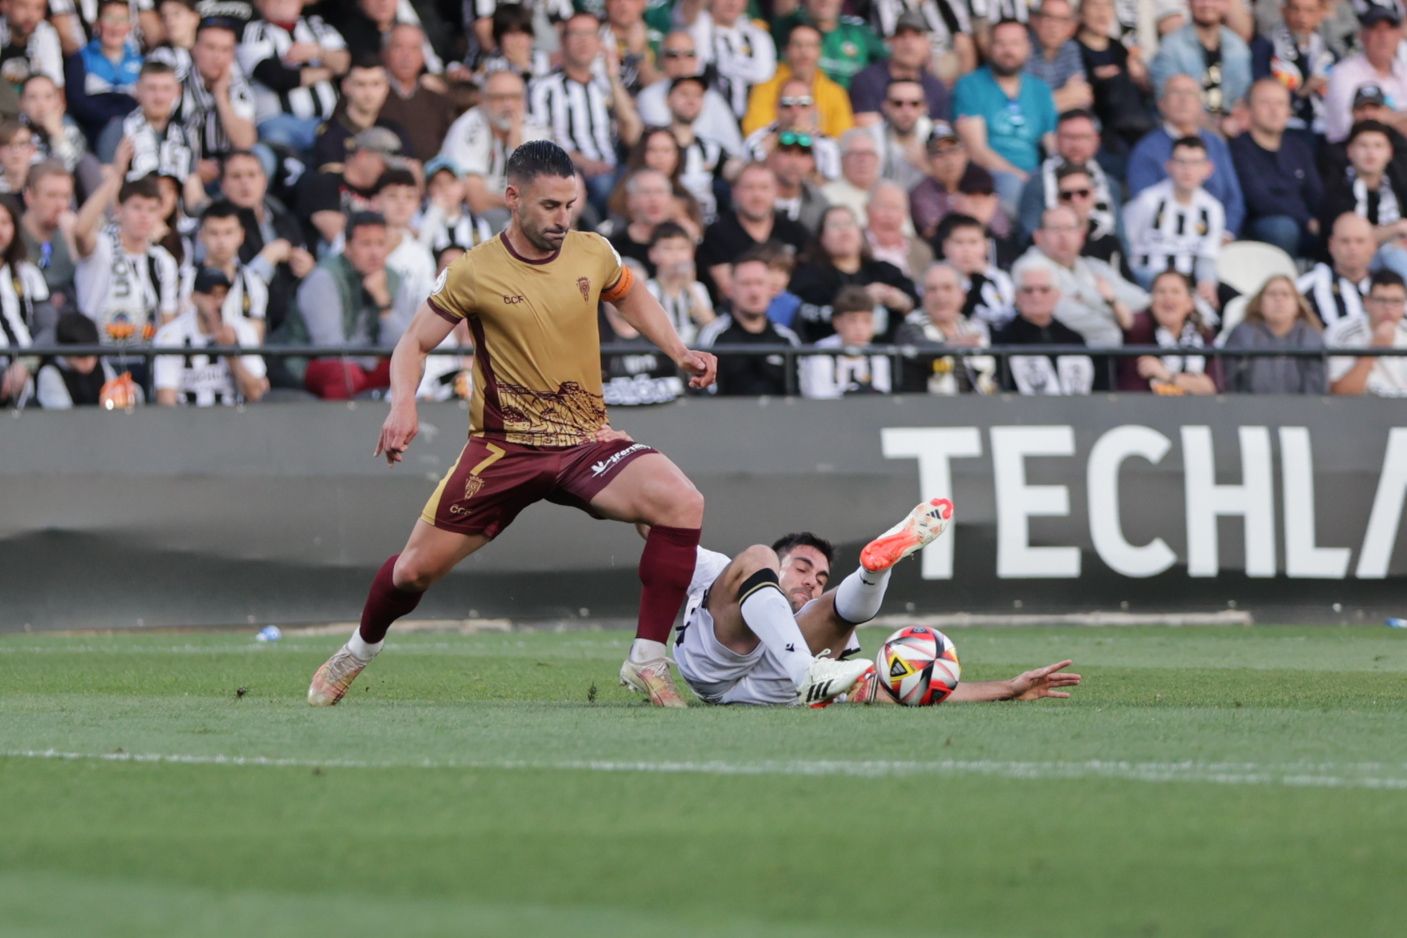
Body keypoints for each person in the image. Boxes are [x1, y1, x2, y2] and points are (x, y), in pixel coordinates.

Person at [305, 141, 719, 710]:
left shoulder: (592, 251)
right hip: (505, 452)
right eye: (550, 205)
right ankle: (357, 651)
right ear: (512, 198)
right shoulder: (473, 271)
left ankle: (648, 659)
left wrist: (678, 349)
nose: (563, 218)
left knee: (682, 503)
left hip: (584, 443)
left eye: (570, 204)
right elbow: (414, 342)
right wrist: (403, 403)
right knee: (412, 572)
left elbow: (631, 293)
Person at [669, 498, 1081, 707]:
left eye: (820, 577)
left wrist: (1009, 688)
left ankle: (873, 571)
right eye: (801, 568)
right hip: (714, 660)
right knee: (755, 556)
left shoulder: (820, 645)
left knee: (831, 611)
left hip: (777, 684)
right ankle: (865, 581)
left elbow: (898, 688)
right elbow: (657, 525)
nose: (811, 581)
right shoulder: (717, 568)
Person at [285, 210, 417, 398]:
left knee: (409, 369)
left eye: (380, 243)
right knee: (344, 375)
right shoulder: (325, 277)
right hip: (309, 363)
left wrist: (383, 302)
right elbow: (329, 349)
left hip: (364, 364)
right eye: (365, 244)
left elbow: (402, 345)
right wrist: (373, 359)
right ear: (347, 247)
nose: (375, 253)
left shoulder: (394, 278)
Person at [72, 140, 181, 350]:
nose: (144, 216)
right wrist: (116, 175)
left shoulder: (163, 260)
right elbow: (80, 230)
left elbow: (167, 322)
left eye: (151, 209)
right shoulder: (101, 246)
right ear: (119, 210)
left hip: (145, 358)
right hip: (98, 356)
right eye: (137, 208)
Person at [528, 11, 642, 211]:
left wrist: (613, 78)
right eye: (576, 34)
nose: (584, 41)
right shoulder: (543, 88)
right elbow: (541, 140)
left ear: (600, 42)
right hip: (571, 170)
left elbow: (633, 133)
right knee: (606, 185)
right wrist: (585, 162)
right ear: (563, 41)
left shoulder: (607, 85)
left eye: (590, 34)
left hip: (614, 167)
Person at [952, 17, 1058, 216]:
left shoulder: (1040, 89)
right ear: (989, 47)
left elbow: (1053, 144)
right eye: (1000, 43)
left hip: (1035, 172)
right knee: (1016, 189)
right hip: (991, 174)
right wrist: (1020, 176)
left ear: (1027, 47)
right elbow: (977, 151)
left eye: (1015, 43)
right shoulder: (970, 86)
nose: (1008, 51)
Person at [1126, 74, 1245, 237]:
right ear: (1161, 104)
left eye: (1190, 94)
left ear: (1200, 105)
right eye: (1175, 93)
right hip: (1167, 238)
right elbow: (1144, 205)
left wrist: (1226, 233)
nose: (1183, 100)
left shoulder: (1215, 143)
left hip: (1217, 235)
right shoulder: (1146, 149)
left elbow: (1234, 199)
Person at [788, 204, 916, 343]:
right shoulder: (808, 275)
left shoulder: (885, 271)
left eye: (849, 223)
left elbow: (918, 302)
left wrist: (903, 301)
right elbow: (810, 314)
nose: (844, 231)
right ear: (822, 237)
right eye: (835, 225)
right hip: (827, 356)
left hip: (887, 355)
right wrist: (861, 299)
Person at [1122, 135, 1224, 310]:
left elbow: (1208, 257)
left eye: (1195, 163)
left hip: (1189, 286)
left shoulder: (1213, 208)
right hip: (1146, 282)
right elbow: (1126, 247)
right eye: (1181, 162)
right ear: (1169, 166)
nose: (1187, 170)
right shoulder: (1147, 201)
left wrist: (1207, 284)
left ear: (1208, 169)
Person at [239, 0, 350, 157]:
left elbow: (345, 64)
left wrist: (318, 52)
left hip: (328, 122)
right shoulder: (252, 32)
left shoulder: (317, 27)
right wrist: (328, 71)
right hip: (279, 124)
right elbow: (278, 78)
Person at [438, 70, 550, 226]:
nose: (508, 105)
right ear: (482, 100)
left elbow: (549, 187)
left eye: (515, 97)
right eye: (499, 98)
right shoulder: (467, 129)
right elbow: (477, 201)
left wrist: (517, 145)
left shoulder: (535, 130)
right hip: (473, 217)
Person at [1024, 203, 1144, 347]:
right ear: (1038, 236)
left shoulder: (1093, 266)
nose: (1063, 236)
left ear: (1081, 236)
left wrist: (1108, 299)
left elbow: (1142, 300)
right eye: (1055, 229)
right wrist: (1109, 305)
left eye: (1069, 229)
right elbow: (1068, 315)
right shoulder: (1030, 267)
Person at [1229, 78, 1322, 257]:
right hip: (1262, 224)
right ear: (1249, 109)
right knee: (1282, 229)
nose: (1274, 110)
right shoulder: (1238, 148)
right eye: (1265, 103)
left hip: (1303, 223)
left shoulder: (1298, 146)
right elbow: (1259, 200)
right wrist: (1306, 220)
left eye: (1280, 103)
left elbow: (1316, 193)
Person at [152, 266, 268, 406]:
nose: (217, 301)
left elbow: (255, 393)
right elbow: (166, 398)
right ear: (194, 297)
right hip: (185, 419)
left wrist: (230, 352)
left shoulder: (242, 330)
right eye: (210, 294)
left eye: (222, 294)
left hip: (232, 419)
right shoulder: (171, 334)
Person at [698, 161, 809, 302]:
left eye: (764, 188)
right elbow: (727, 289)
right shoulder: (718, 232)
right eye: (749, 188)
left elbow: (806, 281)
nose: (757, 195)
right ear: (735, 192)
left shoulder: (794, 231)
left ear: (776, 191)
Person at [993, 253, 1101, 395]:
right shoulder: (1002, 340)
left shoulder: (1074, 339)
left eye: (1044, 290)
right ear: (1016, 295)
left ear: (1057, 294)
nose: (1036, 296)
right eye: (1028, 290)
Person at [697, 248, 800, 395]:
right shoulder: (714, 336)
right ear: (730, 289)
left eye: (760, 283)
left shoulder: (787, 339)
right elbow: (704, 393)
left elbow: (799, 397)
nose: (754, 292)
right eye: (746, 284)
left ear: (771, 289)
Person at [1318, 120, 1407, 282]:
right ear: (1350, 151)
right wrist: (1397, 228)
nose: (1371, 153)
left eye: (1378, 146)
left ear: (1390, 152)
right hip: (1353, 266)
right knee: (1392, 255)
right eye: (1363, 146)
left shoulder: (1399, 185)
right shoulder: (1337, 190)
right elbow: (1348, 239)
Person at [1016, 108, 1119, 243]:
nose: (1076, 144)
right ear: (1056, 139)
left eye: (1083, 137)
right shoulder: (1038, 183)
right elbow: (1029, 236)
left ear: (1096, 141)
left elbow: (1120, 238)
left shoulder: (1108, 184)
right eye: (1069, 137)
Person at [637, 29, 743, 157]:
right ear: (661, 60)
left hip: (712, 169)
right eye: (673, 55)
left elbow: (734, 148)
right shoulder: (649, 96)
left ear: (697, 59)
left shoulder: (713, 98)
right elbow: (667, 146)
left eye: (689, 55)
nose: (682, 61)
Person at [895, 262, 996, 395]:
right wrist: (949, 345)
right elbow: (917, 346)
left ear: (962, 294)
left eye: (947, 288)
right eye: (932, 289)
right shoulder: (910, 328)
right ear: (922, 295)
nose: (940, 296)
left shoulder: (973, 329)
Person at [1149, 0, 1251, 130]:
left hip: (1229, 127)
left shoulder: (1237, 46)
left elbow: (1241, 97)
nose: (1207, 4)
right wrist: (1214, 127)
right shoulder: (1171, 46)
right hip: (1185, 128)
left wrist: (1235, 120)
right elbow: (1167, 101)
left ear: (1226, 4)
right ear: (1188, 3)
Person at [180, 16, 258, 182]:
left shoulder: (239, 87)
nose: (218, 57)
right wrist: (191, 164)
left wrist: (221, 96)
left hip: (228, 173)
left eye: (225, 50)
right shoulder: (177, 85)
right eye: (211, 48)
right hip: (185, 172)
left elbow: (244, 142)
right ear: (194, 48)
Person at [742, 23, 853, 139]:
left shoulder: (835, 92)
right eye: (797, 45)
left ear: (820, 51)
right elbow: (755, 131)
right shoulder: (764, 88)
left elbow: (843, 137)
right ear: (786, 50)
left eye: (811, 45)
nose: (804, 52)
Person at [1220, 274, 1325, 394]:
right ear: (1260, 303)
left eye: (1285, 294)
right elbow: (1229, 381)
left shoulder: (1311, 336)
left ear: (1297, 305)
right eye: (1272, 294)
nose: (1278, 299)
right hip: (1249, 409)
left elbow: (1316, 385)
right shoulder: (1241, 334)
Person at [1118, 269, 1217, 394]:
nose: (1168, 297)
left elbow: (1211, 387)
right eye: (1161, 291)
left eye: (1175, 292)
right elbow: (1128, 322)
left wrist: (1166, 375)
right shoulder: (1140, 329)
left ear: (1190, 303)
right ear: (1152, 300)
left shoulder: (1204, 335)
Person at [1075, 0, 1154, 156]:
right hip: (1099, 124)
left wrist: (1140, 77)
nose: (1102, 12)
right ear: (1082, 13)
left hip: (1132, 122)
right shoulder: (1074, 48)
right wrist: (1095, 78)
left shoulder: (1118, 48)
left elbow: (1143, 92)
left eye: (1107, 6)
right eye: (1095, 6)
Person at [1322, 4, 1407, 144]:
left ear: (1399, 34)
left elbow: (1368, 120)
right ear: (1362, 35)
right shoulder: (1343, 73)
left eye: (1389, 29)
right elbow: (1351, 126)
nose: (1383, 36)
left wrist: (1386, 117)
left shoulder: (1404, 71)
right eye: (1376, 29)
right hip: (1349, 155)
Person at [848, 11, 951, 126]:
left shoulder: (936, 88)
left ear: (928, 44)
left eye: (916, 35)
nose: (908, 42)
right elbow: (867, 130)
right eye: (901, 35)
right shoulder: (866, 80)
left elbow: (940, 133)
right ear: (891, 42)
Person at [310, 56, 409, 174]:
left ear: (386, 87)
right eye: (360, 84)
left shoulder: (395, 129)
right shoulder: (330, 131)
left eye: (376, 84)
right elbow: (329, 174)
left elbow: (411, 170)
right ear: (346, 86)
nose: (369, 93)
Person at [62, 0, 142, 146]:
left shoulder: (141, 61)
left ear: (130, 26)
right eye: (109, 18)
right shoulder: (81, 59)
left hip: (134, 136)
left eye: (122, 19)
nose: (115, 26)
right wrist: (114, 118)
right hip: (92, 135)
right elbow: (77, 104)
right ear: (98, 24)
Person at [1250, 0, 1335, 135]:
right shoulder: (1266, 47)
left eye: (1310, 11)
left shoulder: (1329, 52)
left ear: (1321, 13)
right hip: (1283, 129)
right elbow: (1259, 90)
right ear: (1284, 11)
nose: (1302, 17)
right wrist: (1303, 91)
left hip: (1322, 130)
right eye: (1295, 9)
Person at [190, 199, 268, 341]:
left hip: (239, 358)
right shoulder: (186, 280)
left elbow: (257, 336)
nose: (221, 241)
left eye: (228, 232)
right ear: (201, 236)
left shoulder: (254, 281)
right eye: (214, 233)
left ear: (241, 235)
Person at [689, 0, 777, 124]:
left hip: (754, 120)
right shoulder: (696, 29)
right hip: (706, 120)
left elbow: (765, 76)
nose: (732, 3)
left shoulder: (759, 36)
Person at [378, 24, 455, 165]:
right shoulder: (372, 95)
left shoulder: (438, 100)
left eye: (414, 48)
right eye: (398, 47)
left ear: (423, 56)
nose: (406, 56)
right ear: (385, 53)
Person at [798, 284, 892, 398]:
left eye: (867, 321)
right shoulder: (820, 354)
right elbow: (819, 401)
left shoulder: (879, 357)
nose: (860, 328)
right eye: (852, 320)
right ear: (837, 322)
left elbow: (882, 401)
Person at [771, 0, 886, 90]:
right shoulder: (790, 25)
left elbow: (888, 65)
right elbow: (783, 8)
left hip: (853, 112)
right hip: (799, 107)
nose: (824, 1)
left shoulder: (858, 31)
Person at [1326, 269, 1407, 397]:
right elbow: (1340, 393)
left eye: (1396, 301)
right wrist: (1374, 349)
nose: (1388, 307)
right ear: (1367, 302)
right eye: (1381, 300)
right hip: (1357, 411)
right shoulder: (1342, 332)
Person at [742, 77, 842, 180]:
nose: (795, 112)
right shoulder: (757, 140)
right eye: (787, 104)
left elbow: (832, 181)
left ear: (814, 108)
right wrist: (762, 155)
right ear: (776, 108)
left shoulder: (827, 145)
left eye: (803, 104)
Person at [112, 60, 195, 181]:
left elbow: (192, 186)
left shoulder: (183, 133)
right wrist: (118, 170)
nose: (159, 97)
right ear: (138, 90)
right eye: (151, 88)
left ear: (178, 92)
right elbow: (105, 184)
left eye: (166, 89)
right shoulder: (119, 129)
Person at [936, 211, 1014, 328]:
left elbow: (1007, 312)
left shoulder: (999, 277)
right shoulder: (935, 277)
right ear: (945, 246)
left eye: (973, 242)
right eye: (959, 242)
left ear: (986, 246)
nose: (966, 250)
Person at [1299, 213, 1375, 328]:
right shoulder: (1307, 286)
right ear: (1331, 245)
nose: (1352, 248)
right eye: (1345, 241)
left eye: (1360, 241)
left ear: (1373, 246)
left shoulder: (1392, 287)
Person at [643, 220, 713, 346]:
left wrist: (689, 286)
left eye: (682, 248)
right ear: (653, 254)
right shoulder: (648, 289)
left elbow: (710, 326)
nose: (676, 255)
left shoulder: (697, 288)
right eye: (668, 248)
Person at [19, 161, 76, 309]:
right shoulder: (12, 237)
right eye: (51, 196)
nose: (60, 205)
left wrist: (76, 241)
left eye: (65, 196)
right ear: (30, 197)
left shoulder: (73, 234)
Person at [34, 311, 117, 408]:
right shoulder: (50, 373)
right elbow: (64, 416)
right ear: (65, 352)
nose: (89, 361)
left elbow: (118, 391)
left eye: (93, 353)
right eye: (82, 355)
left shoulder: (101, 366)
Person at [1027, 0, 1093, 113]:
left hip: (1066, 122)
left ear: (1072, 27)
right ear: (1035, 20)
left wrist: (1044, 104)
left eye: (1062, 20)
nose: (1054, 26)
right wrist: (1066, 96)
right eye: (1048, 17)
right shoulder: (1023, 48)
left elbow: (1082, 96)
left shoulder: (1071, 48)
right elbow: (1024, 106)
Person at [864, 180, 932, 279]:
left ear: (906, 214)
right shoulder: (854, 244)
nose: (889, 215)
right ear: (867, 209)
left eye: (895, 208)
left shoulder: (921, 251)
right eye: (883, 206)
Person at [0, 0, 65, 90]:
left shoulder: (46, 33)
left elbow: (55, 85)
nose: (30, 15)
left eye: (38, 8)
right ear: (5, 5)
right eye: (22, 6)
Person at [820, 128, 881, 217]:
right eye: (855, 154)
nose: (862, 160)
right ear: (842, 160)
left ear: (877, 159)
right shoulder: (826, 197)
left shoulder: (890, 195)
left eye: (868, 154)